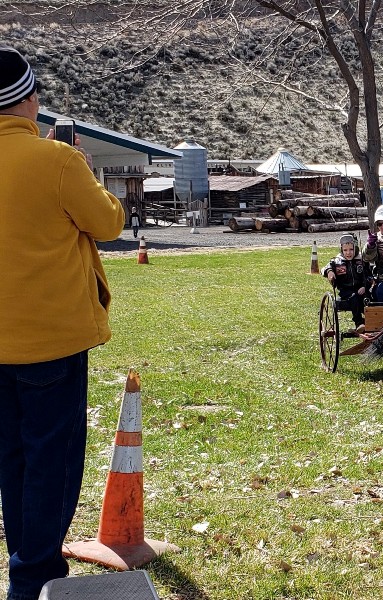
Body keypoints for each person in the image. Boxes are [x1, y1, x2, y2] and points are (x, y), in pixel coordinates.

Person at [0, 47, 125, 600]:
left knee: (13, 460)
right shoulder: (57, 161)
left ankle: (22, 562)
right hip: (51, 343)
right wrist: (78, 164)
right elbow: (108, 224)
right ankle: (34, 579)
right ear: (30, 99)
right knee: (52, 464)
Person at [322, 233, 372, 333]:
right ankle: (359, 323)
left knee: (369, 298)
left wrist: (365, 286)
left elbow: (370, 275)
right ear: (341, 250)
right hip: (345, 292)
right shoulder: (337, 261)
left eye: (351, 249)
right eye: (345, 250)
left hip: (361, 289)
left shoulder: (361, 260)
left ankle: (373, 322)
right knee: (354, 297)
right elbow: (325, 268)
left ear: (356, 248)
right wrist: (329, 272)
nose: (348, 253)